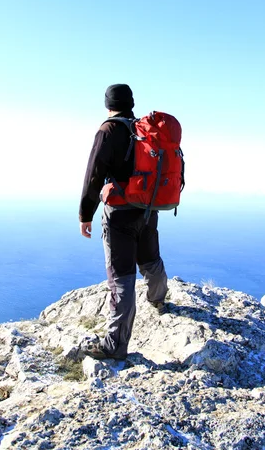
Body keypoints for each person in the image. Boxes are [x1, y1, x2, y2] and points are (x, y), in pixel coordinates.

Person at [79, 84, 168, 360]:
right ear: (130, 103)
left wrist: (85, 214)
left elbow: (94, 175)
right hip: (146, 209)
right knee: (150, 259)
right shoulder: (143, 131)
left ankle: (116, 345)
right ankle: (158, 298)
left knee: (122, 277)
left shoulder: (108, 131)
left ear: (108, 105)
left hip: (118, 214)